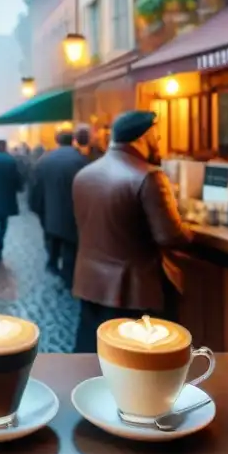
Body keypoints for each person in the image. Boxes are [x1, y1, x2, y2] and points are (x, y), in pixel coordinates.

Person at [71, 110, 191, 353]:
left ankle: (86, 389)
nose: (158, 142)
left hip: (91, 283)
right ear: (142, 137)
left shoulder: (84, 174)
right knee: (140, 361)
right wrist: (192, 230)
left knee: (93, 354)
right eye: (156, 136)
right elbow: (170, 235)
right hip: (134, 291)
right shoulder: (149, 176)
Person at [29, 129, 88, 288]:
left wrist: (36, 207)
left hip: (50, 210)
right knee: (70, 244)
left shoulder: (44, 160)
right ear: (73, 140)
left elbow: (36, 187)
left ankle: (53, 263)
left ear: (57, 140)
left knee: (52, 239)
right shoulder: (81, 160)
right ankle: (68, 275)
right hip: (73, 210)